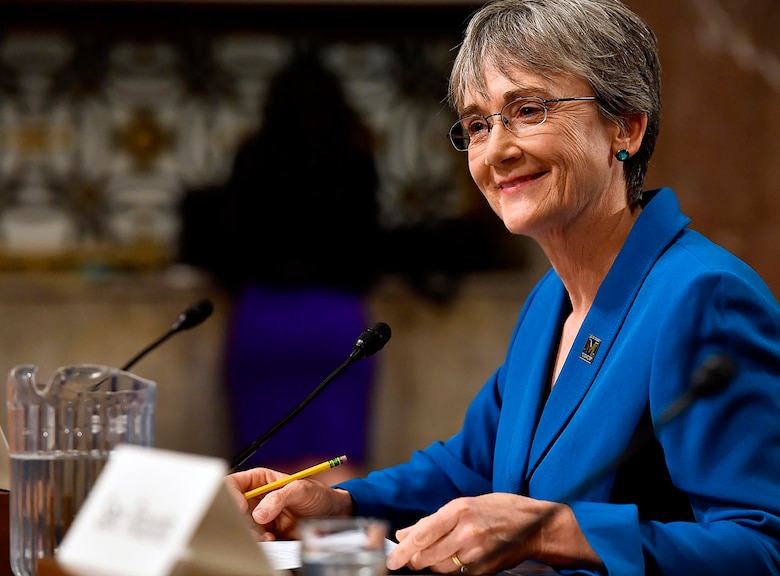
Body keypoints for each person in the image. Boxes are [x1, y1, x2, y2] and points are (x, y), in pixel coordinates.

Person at [225, 1, 780, 574]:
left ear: (626, 127)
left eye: (528, 109)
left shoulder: (704, 297)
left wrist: (556, 531)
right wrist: (341, 503)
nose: (496, 150)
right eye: (477, 125)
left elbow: (764, 548)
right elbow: (470, 466)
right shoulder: (550, 300)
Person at [211, 49, 385, 483]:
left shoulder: (253, 155)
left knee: (263, 474)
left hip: (263, 317)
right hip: (335, 317)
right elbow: (371, 245)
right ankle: (333, 550)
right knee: (335, 467)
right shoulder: (354, 156)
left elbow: (227, 244)